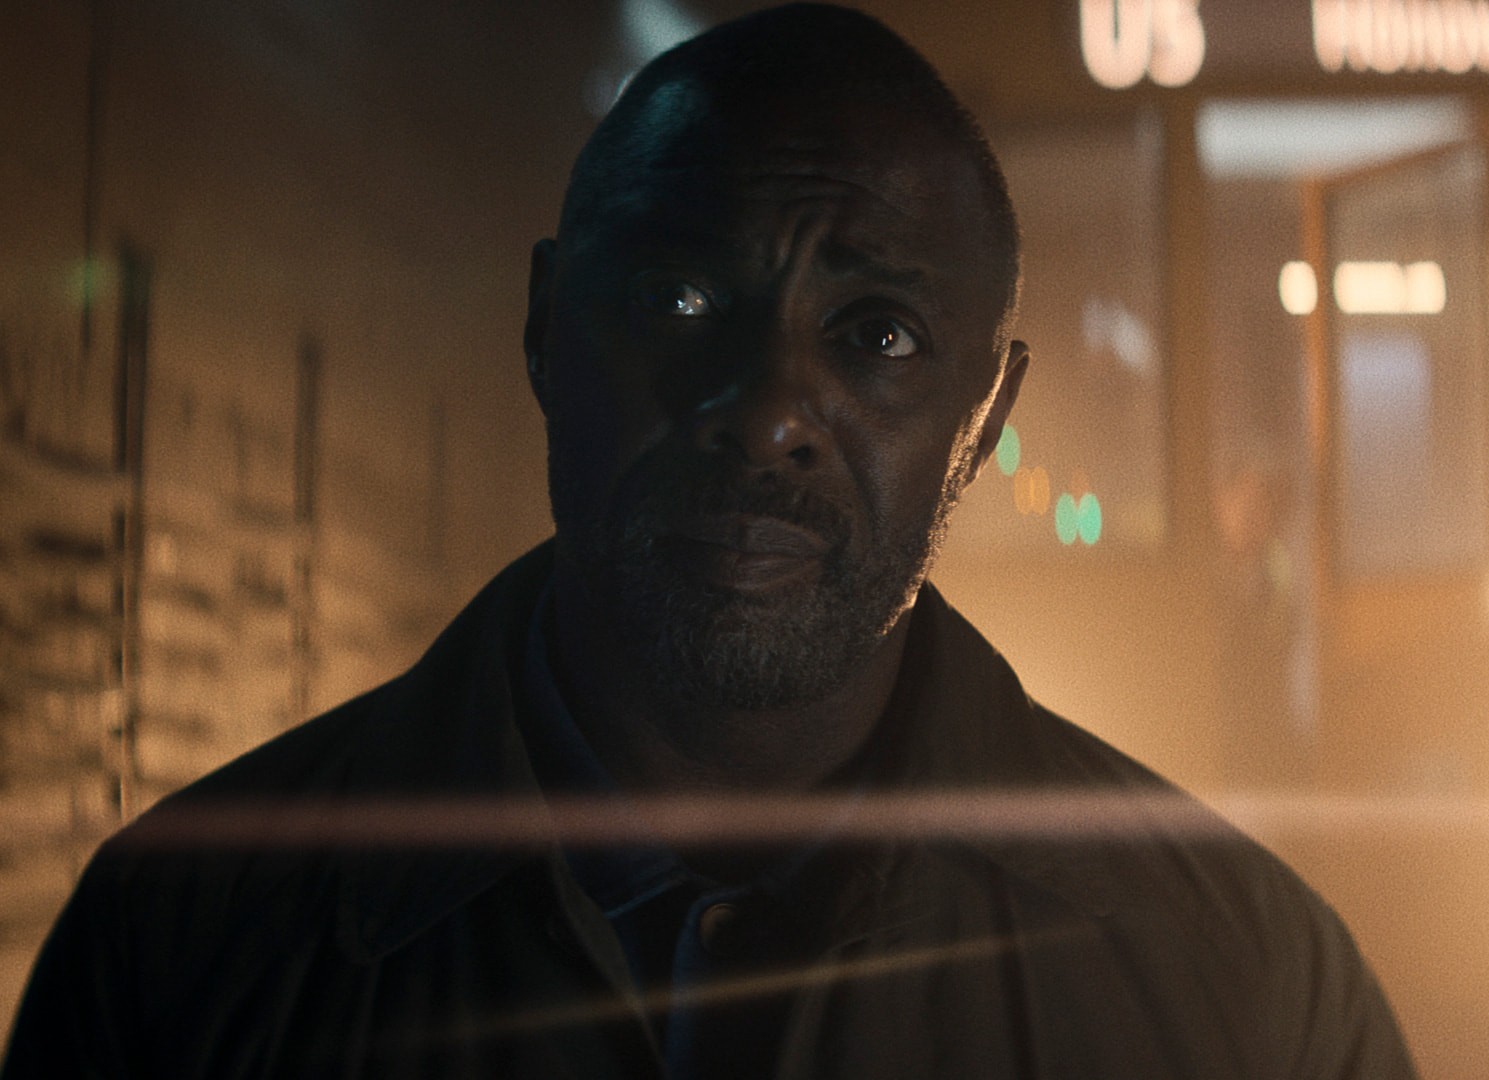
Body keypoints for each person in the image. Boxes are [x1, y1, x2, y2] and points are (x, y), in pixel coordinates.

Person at [2, 5, 1416, 1077]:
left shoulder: (1245, 989)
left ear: (984, 419)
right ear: (547, 328)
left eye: (876, 335)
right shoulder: (180, 949)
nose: (770, 412)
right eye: (679, 300)